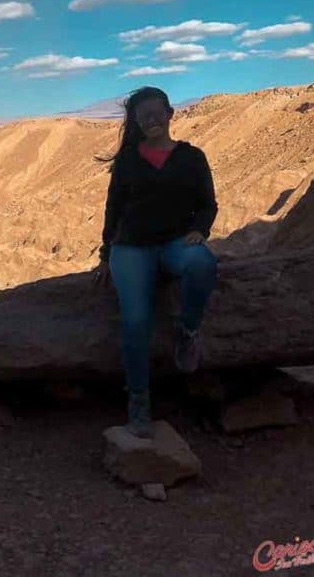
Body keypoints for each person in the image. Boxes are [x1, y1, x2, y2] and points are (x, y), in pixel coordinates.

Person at [93, 86, 218, 438]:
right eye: (143, 115)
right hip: (131, 247)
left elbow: (207, 203)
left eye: (156, 112)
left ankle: (187, 331)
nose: (151, 119)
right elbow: (114, 209)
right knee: (135, 322)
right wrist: (105, 254)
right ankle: (138, 400)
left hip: (176, 243)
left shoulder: (192, 157)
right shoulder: (129, 161)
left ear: (170, 113)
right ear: (135, 121)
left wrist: (200, 230)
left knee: (203, 264)